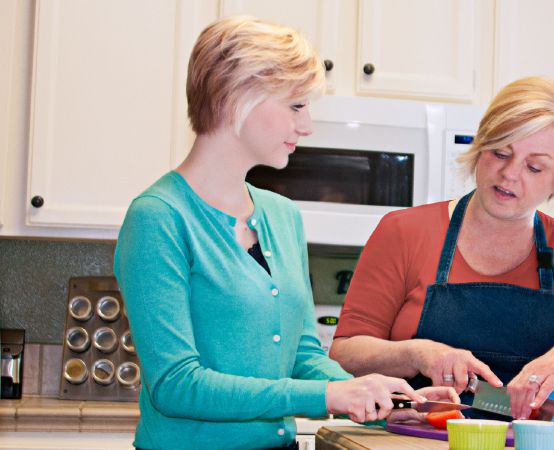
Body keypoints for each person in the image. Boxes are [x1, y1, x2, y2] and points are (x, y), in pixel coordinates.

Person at [114, 16, 456, 450]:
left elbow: (303, 356)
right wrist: (329, 395)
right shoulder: (159, 218)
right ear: (238, 96)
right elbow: (177, 385)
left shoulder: (281, 215)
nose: (307, 125)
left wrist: (383, 396)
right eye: (296, 105)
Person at [330, 76, 554, 422]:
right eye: (500, 152)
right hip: (420, 440)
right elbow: (346, 351)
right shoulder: (404, 233)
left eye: (534, 167)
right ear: (480, 147)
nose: (509, 173)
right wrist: (419, 354)